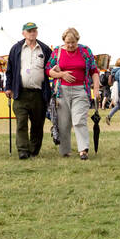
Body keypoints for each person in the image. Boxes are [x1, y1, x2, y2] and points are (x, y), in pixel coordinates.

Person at [46, 27, 100, 160]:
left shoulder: (85, 51)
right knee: (63, 123)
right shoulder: (57, 52)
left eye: (73, 43)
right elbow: (48, 70)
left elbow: (94, 71)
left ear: (77, 40)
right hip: (61, 91)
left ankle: (83, 150)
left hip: (80, 90)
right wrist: (61, 74)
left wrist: (97, 89)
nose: (70, 46)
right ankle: (65, 150)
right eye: (67, 43)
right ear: (63, 41)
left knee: (78, 120)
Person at [5, 21, 52, 160]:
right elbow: (10, 70)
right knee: (21, 122)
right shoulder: (16, 48)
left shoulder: (44, 49)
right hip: (20, 92)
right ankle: (23, 150)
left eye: (34, 30)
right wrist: (8, 87)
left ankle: (34, 149)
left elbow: (51, 69)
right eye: (29, 31)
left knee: (38, 123)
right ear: (23, 33)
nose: (32, 33)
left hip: (39, 93)